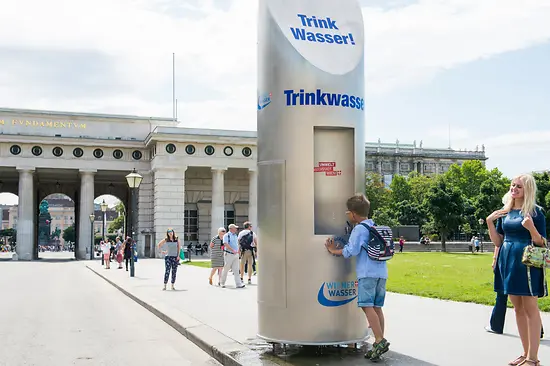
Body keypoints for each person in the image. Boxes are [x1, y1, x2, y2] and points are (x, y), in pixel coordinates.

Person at [487, 174, 547, 366]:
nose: (514, 189)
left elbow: (542, 242)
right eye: (513, 185)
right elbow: (498, 241)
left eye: (519, 186)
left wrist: (531, 228)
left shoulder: (536, 213)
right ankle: (525, 352)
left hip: (527, 264)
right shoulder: (505, 212)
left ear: (527, 189)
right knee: (518, 309)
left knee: (530, 309)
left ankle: (533, 358)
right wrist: (489, 222)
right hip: (507, 261)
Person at [325, 193, 390, 361]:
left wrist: (333, 250)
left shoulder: (360, 229)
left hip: (367, 273)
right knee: (377, 307)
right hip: (381, 273)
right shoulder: (374, 226)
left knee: (367, 306)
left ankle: (379, 340)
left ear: (353, 213)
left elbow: (350, 251)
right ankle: (378, 343)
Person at [486, 243, 545, 338]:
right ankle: (537, 330)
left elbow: (499, 241)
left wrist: (495, 258)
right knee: (527, 300)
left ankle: (496, 325)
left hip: (508, 256)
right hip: (523, 256)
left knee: (502, 295)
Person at [220, 224, 245, 289]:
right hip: (229, 254)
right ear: (231, 229)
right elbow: (225, 244)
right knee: (226, 269)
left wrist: (238, 250)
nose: (236, 229)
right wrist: (232, 250)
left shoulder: (235, 236)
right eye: (235, 228)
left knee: (236, 270)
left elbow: (237, 244)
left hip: (235, 255)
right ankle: (222, 283)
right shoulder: (226, 235)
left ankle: (238, 284)